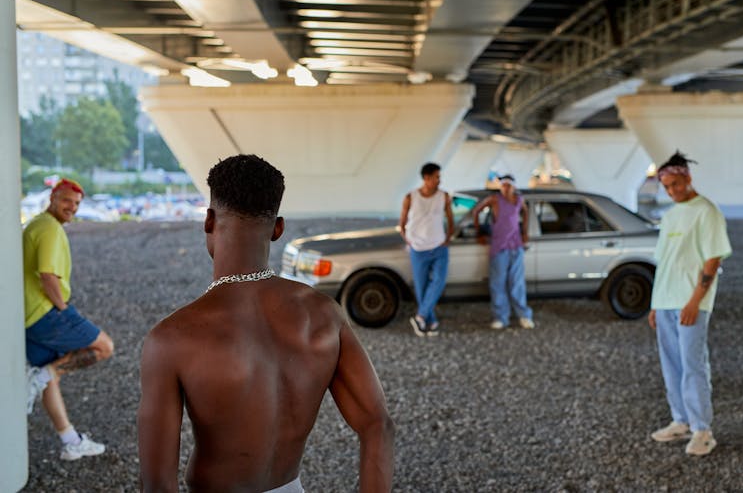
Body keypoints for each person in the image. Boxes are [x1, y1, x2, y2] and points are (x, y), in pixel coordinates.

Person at [138, 154, 394, 492]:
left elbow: (157, 485)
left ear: (209, 220)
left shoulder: (171, 339)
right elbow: (378, 424)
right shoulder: (323, 314)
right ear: (277, 229)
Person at [23, 178, 114, 461]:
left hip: (28, 316)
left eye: (76, 204)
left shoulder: (39, 224)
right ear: (52, 198)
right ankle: (39, 377)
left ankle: (71, 441)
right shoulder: (49, 229)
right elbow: (47, 275)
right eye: (66, 201)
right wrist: (63, 308)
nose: (71, 208)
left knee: (48, 379)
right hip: (47, 312)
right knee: (104, 347)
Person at [648, 151, 731, 456]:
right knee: (671, 364)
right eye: (667, 187)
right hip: (666, 300)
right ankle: (681, 420)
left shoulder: (706, 211)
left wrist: (696, 300)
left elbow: (713, 258)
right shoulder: (670, 215)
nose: (672, 191)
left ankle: (703, 430)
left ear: (688, 178)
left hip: (690, 302)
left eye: (676, 184)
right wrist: (656, 305)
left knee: (693, 364)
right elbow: (664, 262)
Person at [472, 174, 534, 330]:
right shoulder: (494, 199)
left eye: (508, 185)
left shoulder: (519, 200)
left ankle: (524, 315)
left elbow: (526, 213)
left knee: (517, 283)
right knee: (497, 283)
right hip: (499, 246)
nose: (505, 188)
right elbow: (476, 211)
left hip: (516, 245)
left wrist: (524, 231)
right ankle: (501, 317)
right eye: (503, 185)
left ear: (513, 186)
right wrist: (479, 232)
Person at [398, 162, 454, 337]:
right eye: (436, 177)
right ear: (426, 178)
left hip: (439, 247)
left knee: (438, 281)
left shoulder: (444, 196)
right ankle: (429, 321)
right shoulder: (410, 197)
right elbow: (402, 224)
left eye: (439, 177)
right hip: (418, 249)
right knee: (421, 287)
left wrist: (448, 238)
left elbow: (450, 220)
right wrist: (409, 240)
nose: (439, 180)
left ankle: (420, 316)